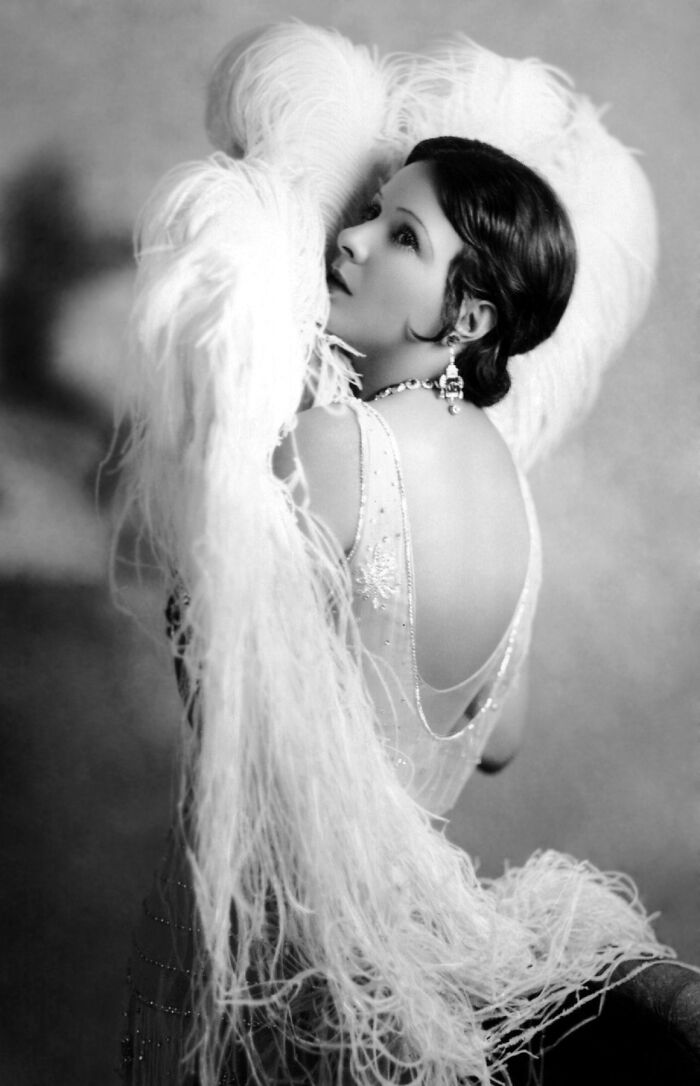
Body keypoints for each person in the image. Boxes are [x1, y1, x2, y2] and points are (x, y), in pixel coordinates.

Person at [118, 24, 673, 1086]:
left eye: (400, 237)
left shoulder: (330, 445)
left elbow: (221, 698)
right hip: (415, 960)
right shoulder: (511, 490)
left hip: (284, 955)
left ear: (465, 315)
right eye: (371, 214)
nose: (352, 240)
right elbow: (500, 736)